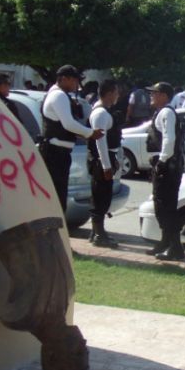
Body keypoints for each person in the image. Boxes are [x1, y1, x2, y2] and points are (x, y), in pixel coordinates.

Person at [40, 65, 105, 213]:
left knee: (57, 195)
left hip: (58, 152)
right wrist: (90, 133)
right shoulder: (59, 96)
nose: (76, 85)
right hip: (55, 153)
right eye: (74, 80)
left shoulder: (59, 94)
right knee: (57, 197)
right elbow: (69, 124)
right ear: (64, 79)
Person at [144, 82, 185, 261]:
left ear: (164, 96)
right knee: (162, 206)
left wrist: (161, 161)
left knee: (166, 207)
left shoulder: (167, 113)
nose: (151, 96)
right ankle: (166, 242)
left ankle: (175, 248)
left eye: (155, 93)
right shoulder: (163, 112)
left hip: (168, 167)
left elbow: (169, 140)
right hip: (168, 165)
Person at [86, 80, 122, 248]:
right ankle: (99, 234)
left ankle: (97, 232)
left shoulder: (103, 111)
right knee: (100, 197)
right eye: (116, 92)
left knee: (103, 196)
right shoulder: (100, 114)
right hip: (102, 160)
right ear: (109, 93)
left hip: (106, 158)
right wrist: (106, 166)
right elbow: (100, 142)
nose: (117, 96)